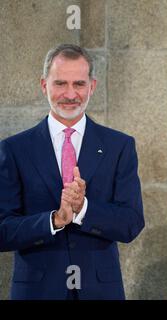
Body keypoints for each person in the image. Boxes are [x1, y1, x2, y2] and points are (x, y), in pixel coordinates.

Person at [0, 44, 145, 299]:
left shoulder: (119, 146)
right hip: (37, 292)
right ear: (44, 85)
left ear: (92, 86)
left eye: (78, 84)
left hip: (100, 291)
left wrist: (83, 209)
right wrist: (54, 220)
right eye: (60, 84)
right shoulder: (14, 149)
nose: (70, 94)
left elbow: (131, 223)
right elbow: (2, 230)